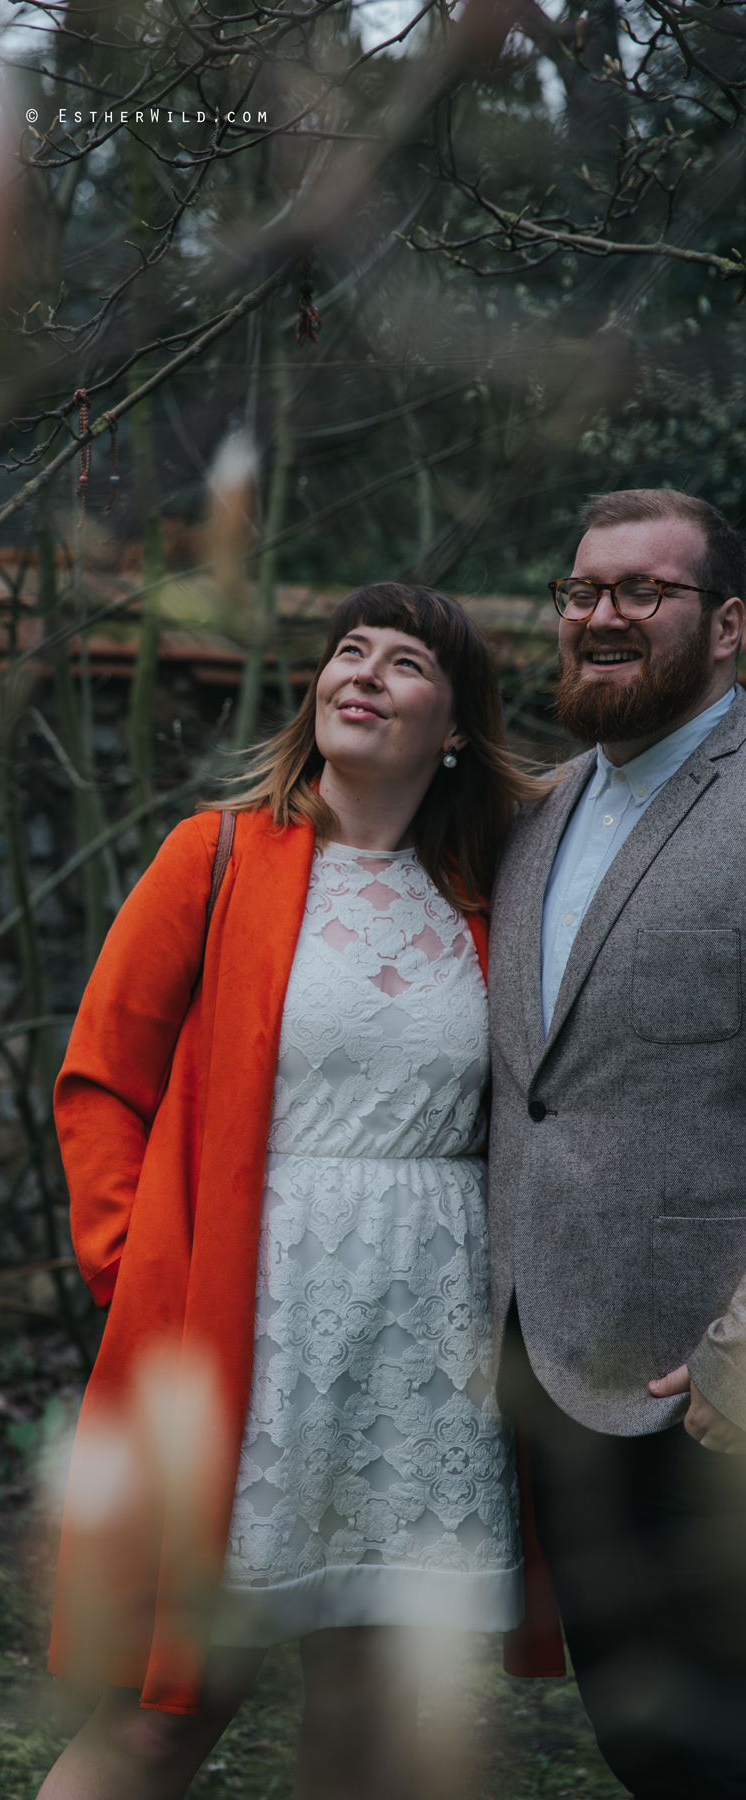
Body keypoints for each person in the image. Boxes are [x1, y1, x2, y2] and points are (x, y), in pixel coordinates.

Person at [40, 583, 546, 1800]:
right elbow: (102, 1079)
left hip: (428, 1340)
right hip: (246, 1325)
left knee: (368, 1709)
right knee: (169, 1707)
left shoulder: (498, 889)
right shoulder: (211, 859)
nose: (362, 674)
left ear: (459, 724)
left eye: (405, 662)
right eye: (347, 653)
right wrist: (133, 1265)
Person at [487, 488, 746, 1800]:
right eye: (584, 589)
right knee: (645, 1742)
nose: (601, 613)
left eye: (643, 591)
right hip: (559, 1368)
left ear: (731, 626)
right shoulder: (539, 813)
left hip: (714, 1392)